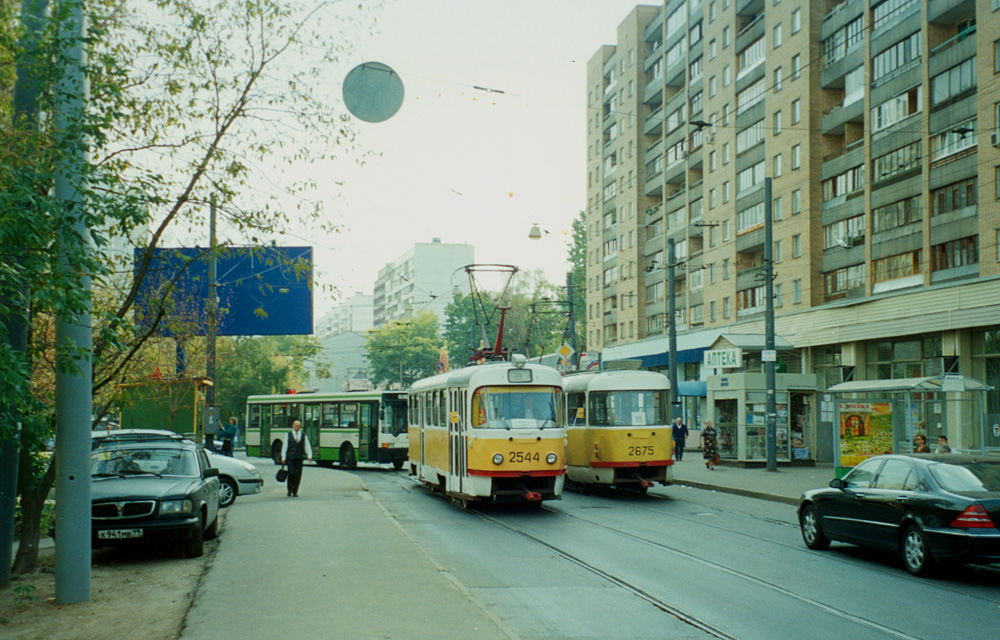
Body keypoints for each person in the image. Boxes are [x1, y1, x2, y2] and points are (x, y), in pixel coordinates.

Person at [280, 419, 313, 497]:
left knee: (298, 475)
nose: (298, 428)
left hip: (299, 458)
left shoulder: (303, 435)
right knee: (291, 473)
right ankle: (289, 489)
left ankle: (295, 491)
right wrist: (283, 457)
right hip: (290, 458)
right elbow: (285, 447)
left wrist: (309, 455)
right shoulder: (288, 435)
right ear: (293, 426)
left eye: (299, 426)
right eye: (296, 426)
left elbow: (307, 446)